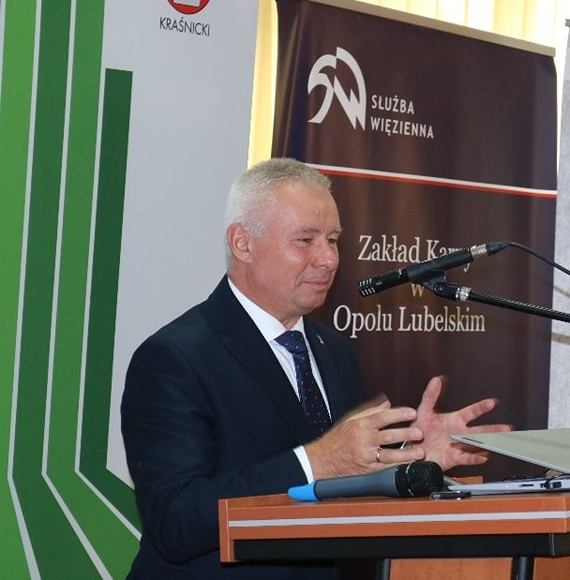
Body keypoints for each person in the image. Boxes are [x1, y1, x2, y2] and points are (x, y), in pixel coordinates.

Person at [120, 158, 509, 579]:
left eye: (333, 240)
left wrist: (407, 461)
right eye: (305, 240)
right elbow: (175, 520)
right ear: (242, 243)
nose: (328, 259)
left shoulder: (333, 351)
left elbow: (343, 486)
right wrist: (316, 461)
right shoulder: (175, 358)